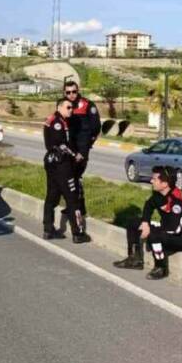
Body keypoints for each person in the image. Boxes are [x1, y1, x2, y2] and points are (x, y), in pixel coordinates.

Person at [114, 166, 182, 280]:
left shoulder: (178, 202)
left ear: (164, 184)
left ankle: (161, 268)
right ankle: (135, 259)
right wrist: (145, 223)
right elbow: (149, 205)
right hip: (167, 228)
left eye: (154, 179)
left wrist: (152, 230)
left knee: (155, 235)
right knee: (133, 223)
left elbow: (175, 229)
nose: (151, 181)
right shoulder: (159, 195)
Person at [43, 98, 92, 243]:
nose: (71, 110)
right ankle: (78, 233)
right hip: (62, 164)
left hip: (52, 163)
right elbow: (61, 144)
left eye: (72, 107)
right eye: (68, 107)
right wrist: (75, 155)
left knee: (51, 197)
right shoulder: (58, 122)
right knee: (72, 198)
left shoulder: (52, 119)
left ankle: (48, 229)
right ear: (59, 107)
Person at [60, 79, 100, 233]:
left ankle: (78, 208)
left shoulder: (87, 105)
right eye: (68, 92)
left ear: (78, 91)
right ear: (64, 93)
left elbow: (96, 127)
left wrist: (86, 146)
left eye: (74, 92)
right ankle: (72, 206)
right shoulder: (62, 104)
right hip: (68, 148)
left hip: (81, 149)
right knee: (68, 178)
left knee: (75, 177)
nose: (71, 95)